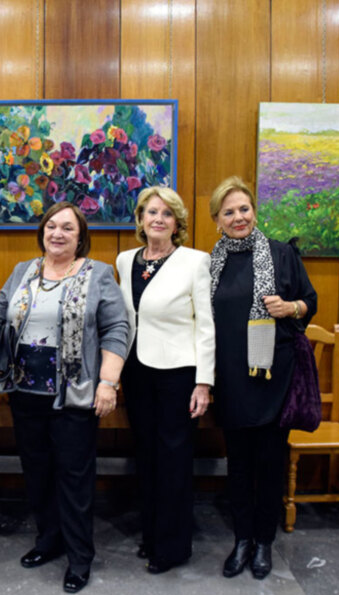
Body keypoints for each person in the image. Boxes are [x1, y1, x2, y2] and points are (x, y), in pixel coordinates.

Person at [0, 201, 129, 594]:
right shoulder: (23, 271)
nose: (57, 233)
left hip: (73, 395)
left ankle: (79, 557)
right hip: (24, 391)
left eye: (67, 228)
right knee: (37, 472)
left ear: (80, 237)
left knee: (74, 478)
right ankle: (49, 540)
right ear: (42, 231)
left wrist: (108, 382)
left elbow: (117, 328)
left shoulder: (98, 274)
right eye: (51, 226)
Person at [208, 176, 317, 580]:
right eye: (229, 212)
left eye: (244, 209)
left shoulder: (282, 254)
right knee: (238, 464)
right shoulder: (211, 263)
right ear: (217, 220)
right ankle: (242, 540)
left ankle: (264, 543)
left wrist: (291, 307)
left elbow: (311, 301)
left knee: (270, 463)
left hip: (274, 376)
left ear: (254, 211)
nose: (238, 217)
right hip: (231, 377)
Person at [115, 186, 214, 574]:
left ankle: (172, 548)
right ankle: (152, 534)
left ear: (177, 223)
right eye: (151, 211)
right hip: (136, 370)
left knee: (174, 459)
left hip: (179, 374)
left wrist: (204, 382)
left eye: (167, 213)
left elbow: (205, 325)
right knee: (147, 456)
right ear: (140, 218)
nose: (158, 218)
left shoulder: (195, 261)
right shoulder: (125, 260)